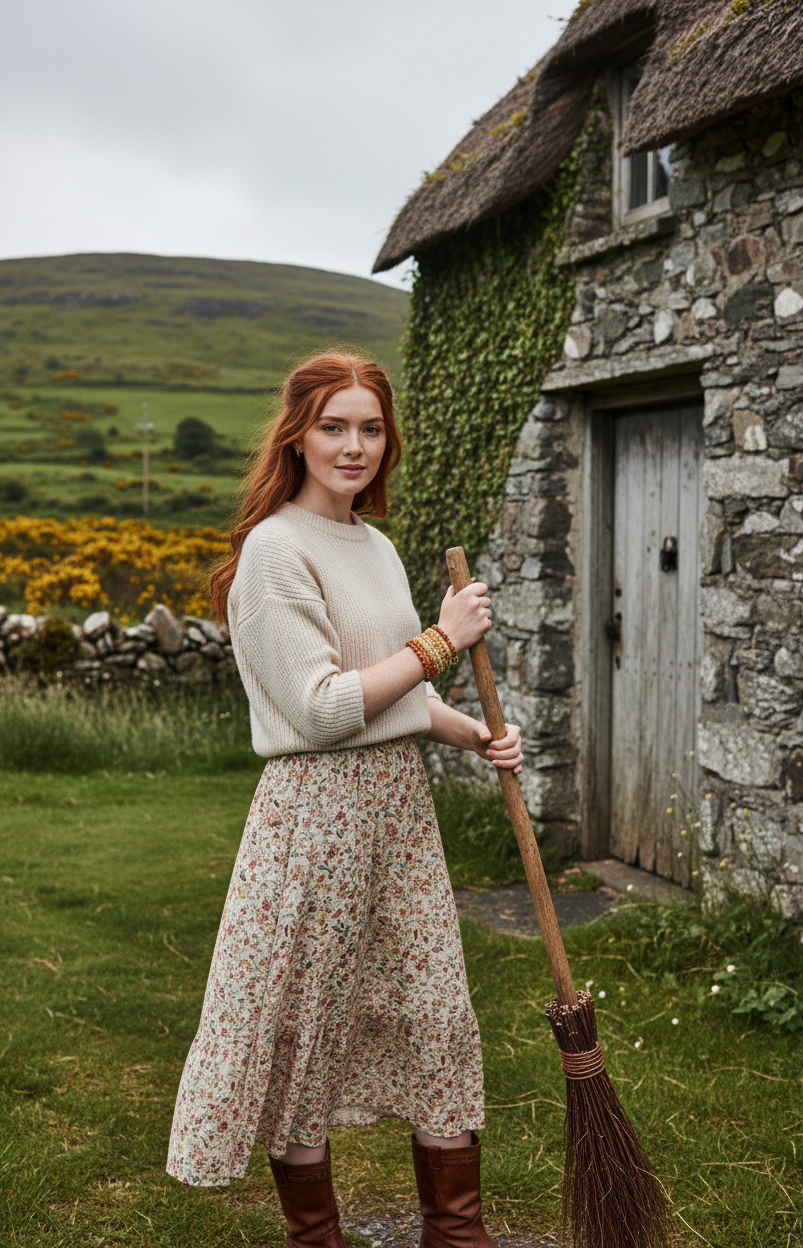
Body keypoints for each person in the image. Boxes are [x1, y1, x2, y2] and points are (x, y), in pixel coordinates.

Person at [166, 352, 523, 1248]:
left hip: (400, 812)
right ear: (297, 435)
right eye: (333, 426)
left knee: (437, 1012)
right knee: (307, 1028)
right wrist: (443, 638)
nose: (354, 446)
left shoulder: (377, 546)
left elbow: (400, 692)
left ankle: (456, 1235)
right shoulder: (274, 551)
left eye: (370, 427)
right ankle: (315, 1238)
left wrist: (474, 735)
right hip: (315, 818)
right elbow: (325, 710)